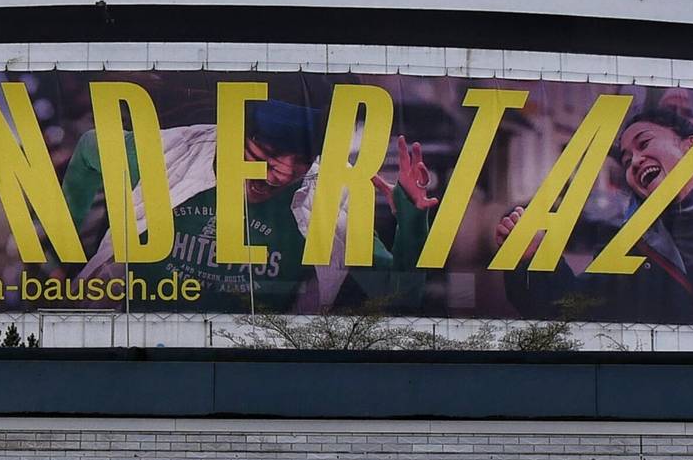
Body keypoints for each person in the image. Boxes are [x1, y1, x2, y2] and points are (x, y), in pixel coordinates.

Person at [60, 96, 436, 314]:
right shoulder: (168, 153)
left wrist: (411, 222)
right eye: (268, 155)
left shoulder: (329, 192)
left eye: (301, 161)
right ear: (232, 134)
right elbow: (90, 148)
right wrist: (65, 249)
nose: (281, 175)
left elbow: (400, 297)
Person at [500, 104, 693, 326]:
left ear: (691, 146)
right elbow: (571, 313)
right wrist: (532, 257)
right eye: (627, 161)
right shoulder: (626, 250)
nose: (636, 161)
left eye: (644, 143)